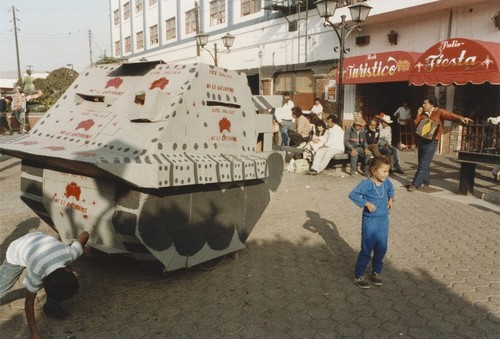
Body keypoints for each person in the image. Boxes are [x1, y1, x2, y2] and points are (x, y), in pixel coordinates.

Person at [0, 231, 90, 338]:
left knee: (57, 285)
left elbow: (85, 234)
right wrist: (34, 333)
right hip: (17, 250)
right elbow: (29, 303)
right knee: (2, 286)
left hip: (39, 239)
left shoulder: (70, 253)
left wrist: (82, 245)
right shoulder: (37, 273)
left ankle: (50, 308)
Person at [408, 95, 473, 192]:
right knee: (423, 162)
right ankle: (426, 182)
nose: (423, 105)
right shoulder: (423, 114)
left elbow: (450, 115)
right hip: (422, 140)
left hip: (432, 142)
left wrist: (461, 118)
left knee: (423, 164)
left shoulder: (439, 112)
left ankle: (415, 184)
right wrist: (418, 114)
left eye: (425, 103)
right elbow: (416, 125)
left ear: (432, 104)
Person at [348, 156, 394, 289]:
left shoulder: (386, 182)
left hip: (383, 220)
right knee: (367, 249)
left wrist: (391, 199)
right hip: (370, 221)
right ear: (373, 171)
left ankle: (376, 272)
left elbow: (391, 189)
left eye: (388, 171)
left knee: (381, 248)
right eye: (384, 171)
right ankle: (358, 274)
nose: (387, 174)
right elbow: (353, 194)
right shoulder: (367, 183)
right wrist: (366, 203)